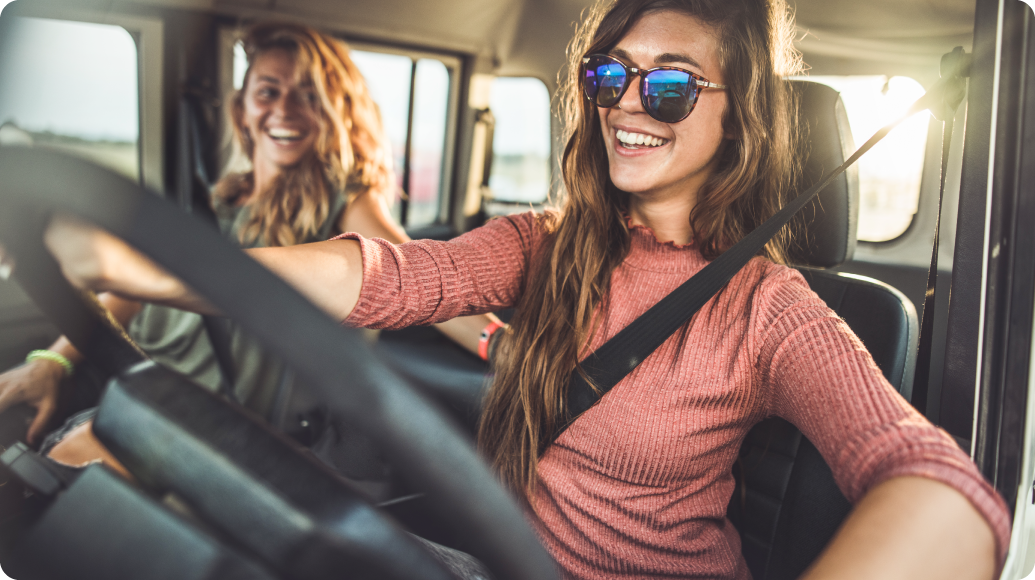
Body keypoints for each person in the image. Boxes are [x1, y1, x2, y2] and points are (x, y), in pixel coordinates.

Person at [24, 0, 1011, 578]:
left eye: (670, 86)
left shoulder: (769, 309)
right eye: (611, 77)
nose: (630, 104)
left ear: (737, 120)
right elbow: (386, 272)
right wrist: (134, 263)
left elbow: (939, 483)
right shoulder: (545, 243)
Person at [0, 22, 500, 445]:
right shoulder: (216, 197)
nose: (285, 110)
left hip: (217, 416)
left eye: (309, 95)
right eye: (269, 92)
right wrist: (53, 360)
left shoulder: (343, 197)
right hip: (139, 373)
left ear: (334, 110)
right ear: (243, 109)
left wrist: (501, 347)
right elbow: (127, 294)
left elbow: (419, 272)